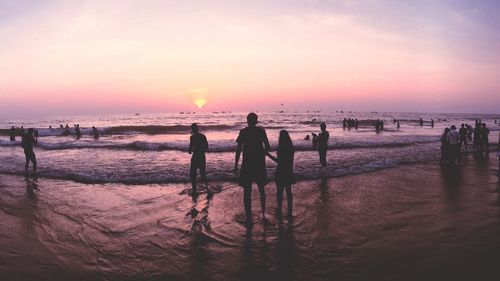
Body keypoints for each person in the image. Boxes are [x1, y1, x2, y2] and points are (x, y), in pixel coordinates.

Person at [234, 113, 270, 224]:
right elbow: (267, 147)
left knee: (247, 190)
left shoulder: (243, 132)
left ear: (247, 120)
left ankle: (249, 217)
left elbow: (239, 149)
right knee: (261, 189)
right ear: (256, 120)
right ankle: (263, 214)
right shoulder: (261, 131)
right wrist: (262, 152)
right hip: (259, 163)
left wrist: (236, 164)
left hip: (247, 163)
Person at [267, 130, 295, 220]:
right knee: (288, 191)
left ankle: (279, 208)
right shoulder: (291, 147)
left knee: (279, 191)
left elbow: (279, 161)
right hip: (289, 170)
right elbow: (289, 162)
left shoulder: (281, 148)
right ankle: (290, 210)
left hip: (281, 171)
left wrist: (268, 155)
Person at [189, 123, 209, 196]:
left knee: (197, 173)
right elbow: (206, 147)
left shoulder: (196, 137)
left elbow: (207, 146)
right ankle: (205, 189)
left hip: (198, 156)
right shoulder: (199, 136)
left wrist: (195, 148)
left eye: (193, 128)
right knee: (197, 173)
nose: (193, 130)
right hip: (199, 156)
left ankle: (197, 190)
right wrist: (190, 150)